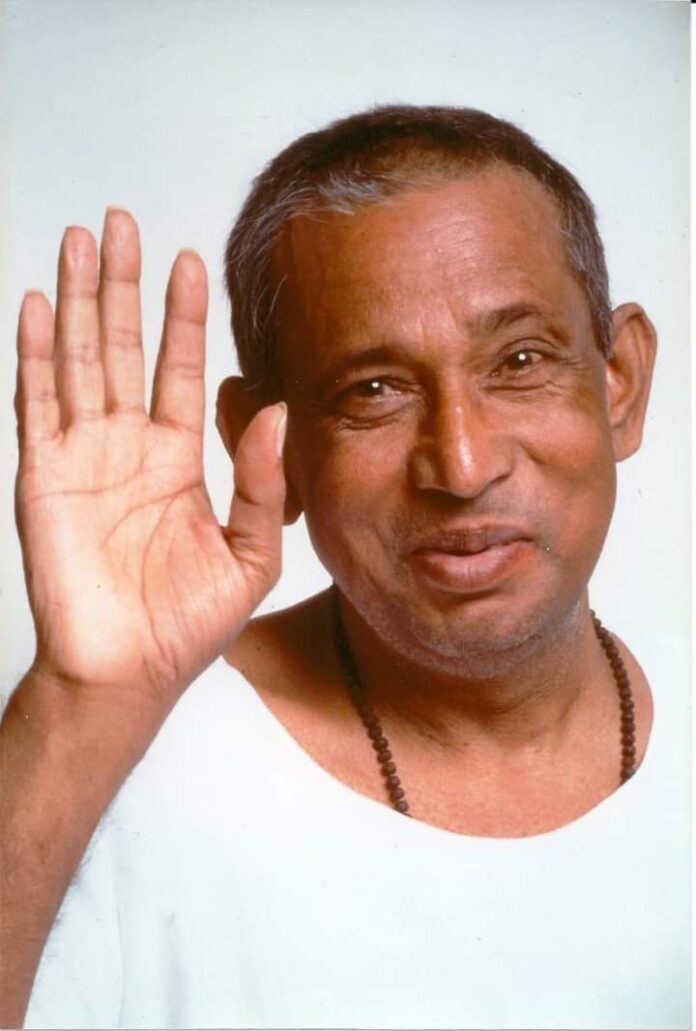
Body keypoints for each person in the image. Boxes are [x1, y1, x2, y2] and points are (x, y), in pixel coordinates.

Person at [0, 106, 689, 1029]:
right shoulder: (117, 767)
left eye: (520, 360)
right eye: (374, 390)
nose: (462, 464)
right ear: (267, 441)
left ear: (621, 383)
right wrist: (78, 700)